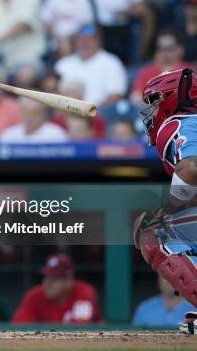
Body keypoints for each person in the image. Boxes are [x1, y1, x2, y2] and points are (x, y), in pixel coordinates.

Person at [133, 67, 197, 334]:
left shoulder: (178, 122)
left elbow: (191, 168)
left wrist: (170, 208)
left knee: (154, 233)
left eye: (155, 101)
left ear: (173, 98)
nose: (150, 112)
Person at [12, 253, 101, 324]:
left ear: (69, 281)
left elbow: (79, 330)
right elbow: (19, 327)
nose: (48, 283)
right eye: (46, 277)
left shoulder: (83, 292)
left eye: (55, 278)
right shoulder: (35, 295)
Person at [55, 24, 127, 107]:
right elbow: (53, 92)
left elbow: (116, 95)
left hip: (98, 114)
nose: (84, 42)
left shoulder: (111, 62)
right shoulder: (63, 64)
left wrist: (90, 112)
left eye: (89, 39)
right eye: (80, 38)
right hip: (65, 113)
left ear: (98, 40)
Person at [0, 97, 68, 143]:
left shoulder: (56, 135)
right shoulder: (8, 136)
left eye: (34, 113)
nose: (29, 117)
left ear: (43, 115)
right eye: (26, 113)